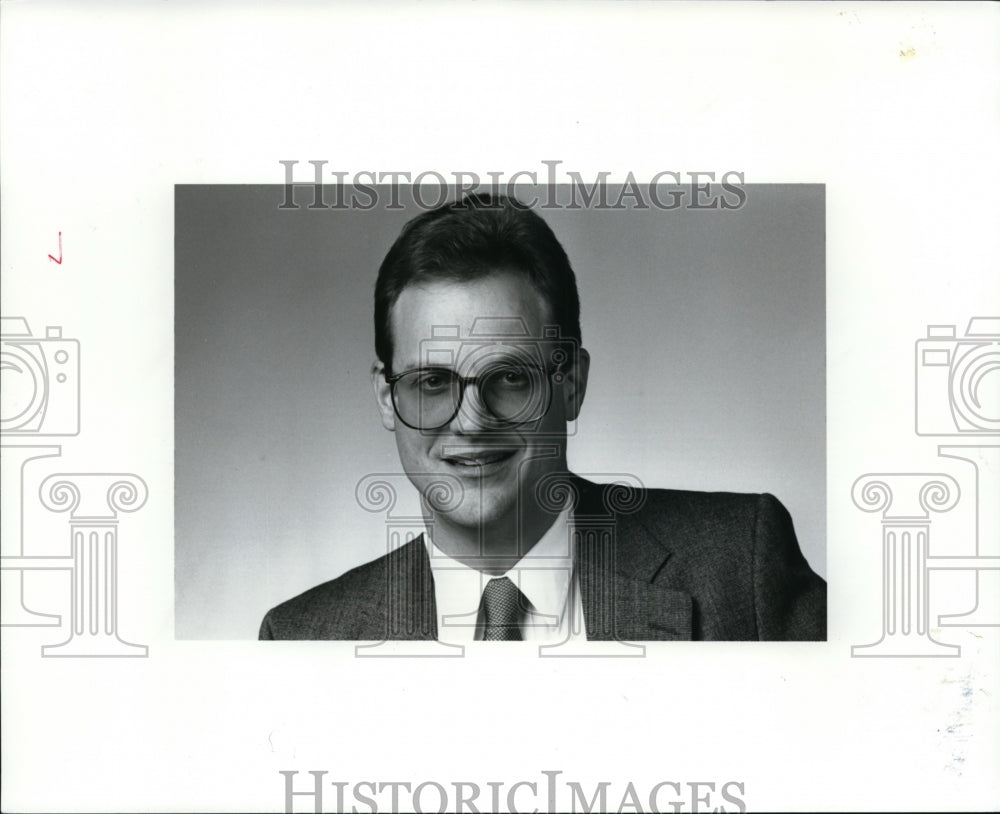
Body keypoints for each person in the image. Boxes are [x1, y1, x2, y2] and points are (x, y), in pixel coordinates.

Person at [259, 193, 826, 642]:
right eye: (432, 382)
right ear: (387, 398)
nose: (472, 422)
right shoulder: (301, 638)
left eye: (510, 378)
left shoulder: (740, 569)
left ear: (571, 383)